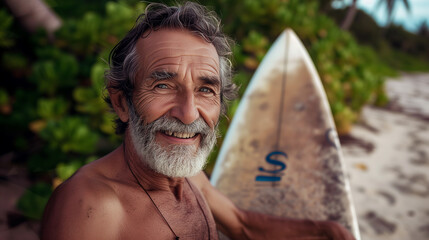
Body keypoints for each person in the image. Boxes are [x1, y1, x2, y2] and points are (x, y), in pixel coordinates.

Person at [41, 2, 355, 240]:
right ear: (122, 102)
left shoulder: (186, 175)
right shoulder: (90, 208)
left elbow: (241, 225)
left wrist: (324, 230)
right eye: (163, 85)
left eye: (205, 89)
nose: (189, 114)